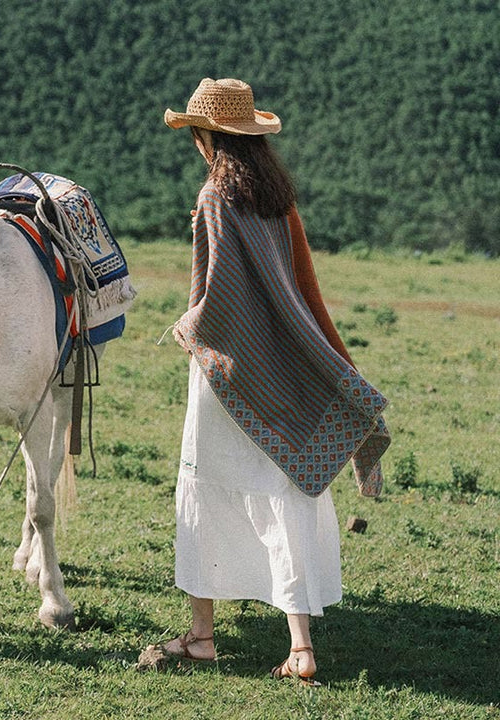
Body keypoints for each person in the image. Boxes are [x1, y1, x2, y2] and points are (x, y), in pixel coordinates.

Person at [151, 78, 390, 685]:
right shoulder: (278, 199)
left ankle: (202, 637)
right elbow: (301, 292)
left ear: (208, 138)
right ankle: (301, 647)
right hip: (281, 368)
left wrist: (187, 327)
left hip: (225, 374)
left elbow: (216, 299)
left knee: (205, 486)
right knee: (283, 490)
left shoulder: (213, 197)